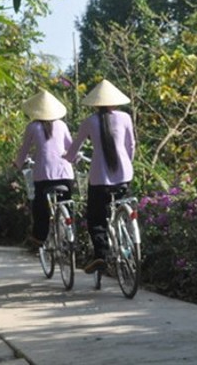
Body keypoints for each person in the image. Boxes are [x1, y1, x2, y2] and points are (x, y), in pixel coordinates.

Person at [64, 79, 135, 274]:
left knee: (96, 218)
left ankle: (100, 255)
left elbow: (75, 147)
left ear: (95, 102)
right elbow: (131, 146)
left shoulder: (89, 122)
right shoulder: (125, 118)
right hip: (124, 176)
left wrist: (68, 158)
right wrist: (127, 163)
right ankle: (128, 243)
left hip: (99, 179)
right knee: (124, 208)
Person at [14, 89, 74, 245]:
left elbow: (24, 149)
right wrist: (72, 159)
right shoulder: (62, 125)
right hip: (65, 174)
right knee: (66, 203)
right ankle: (69, 232)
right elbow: (70, 148)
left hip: (43, 174)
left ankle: (39, 237)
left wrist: (17, 164)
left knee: (40, 208)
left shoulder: (33, 127)